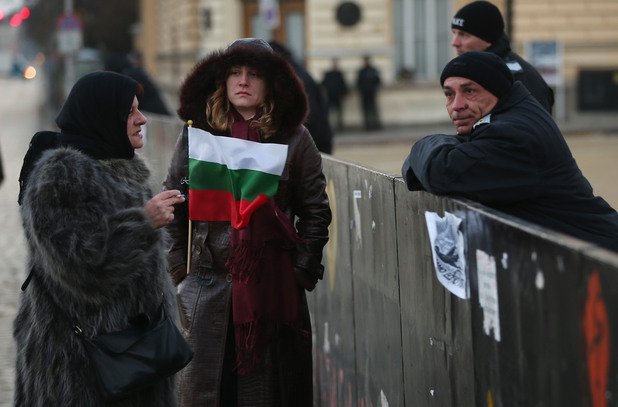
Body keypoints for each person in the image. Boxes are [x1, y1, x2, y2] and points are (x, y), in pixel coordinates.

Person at [163, 38, 332, 406]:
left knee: (269, 392)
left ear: (271, 83)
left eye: (254, 74)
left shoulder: (295, 139)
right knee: (208, 391)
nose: (243, 81)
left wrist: (299, 271)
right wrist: (179, 268)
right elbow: (173, 202)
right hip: (207, 289)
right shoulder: (199, 135)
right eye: (235, 73)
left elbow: (316, 210)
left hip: (272, 291)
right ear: (221, 81)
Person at [14, 71, 185, 405]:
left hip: (135, 360)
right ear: (103, 116)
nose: (143, 119)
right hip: (82, 369)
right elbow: (81, 265)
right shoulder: (62, 176)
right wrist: (143, 222)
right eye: (131, 112)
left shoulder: (122, 167)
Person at [401, 51, 618, 252]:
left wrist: (421, 145)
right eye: (449, 94)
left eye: (469, 91)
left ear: (496, 91)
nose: (457, 105)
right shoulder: (508, 116)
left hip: (601, 261)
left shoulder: (512, 135)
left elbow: (440, 172)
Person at [451, 0, 554, 113]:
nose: (454, 42)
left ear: (487, 39)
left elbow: (533, 126)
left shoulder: (516, 77)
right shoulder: (483, 70)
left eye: (464, 35)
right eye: (454, 33)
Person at [269, 40, 334, 154]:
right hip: (317, 140)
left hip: (314, 143)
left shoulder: (293, 78)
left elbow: (310, 115)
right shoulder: (295, 71)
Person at [321, 58, 349, 132]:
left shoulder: (339, 74)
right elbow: (323, 84)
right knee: (330, 112)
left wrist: (345, 94)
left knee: (339, 112)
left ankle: (340, 126)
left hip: (338, 96)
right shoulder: (328, 74)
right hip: (330, 96)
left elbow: (343, 85)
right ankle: (330, 126)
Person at [356, 55, 382, 130]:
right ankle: (367, 126)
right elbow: (358, 82)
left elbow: (378, 81)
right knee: (365, 110)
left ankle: (375, 125)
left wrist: (373, 88)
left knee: (373, 110)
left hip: (371, 93)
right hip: (364, 94)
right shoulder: (361, 71)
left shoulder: (373, 70)